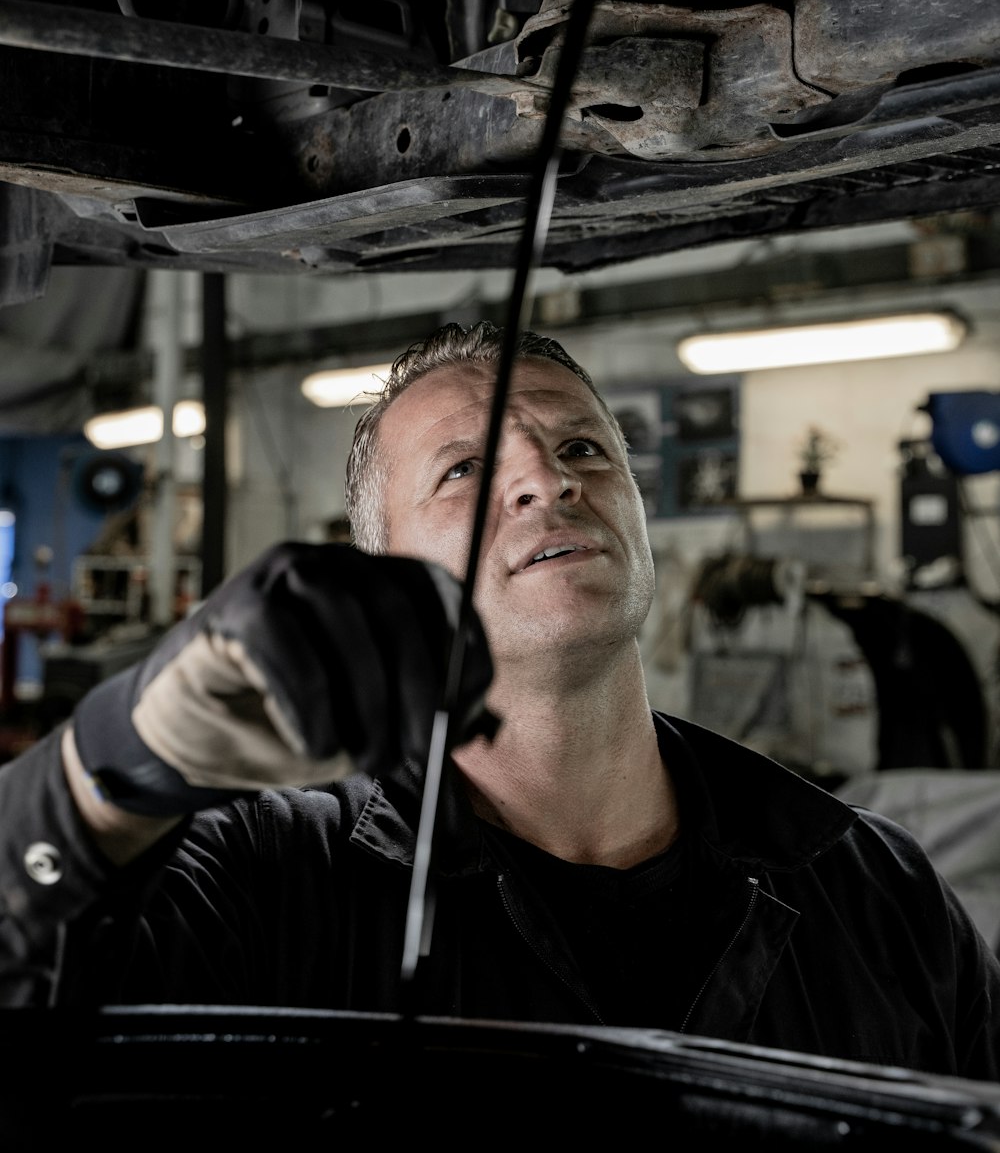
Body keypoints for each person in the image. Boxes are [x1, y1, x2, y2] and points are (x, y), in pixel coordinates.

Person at [0, 320, 998, 1084]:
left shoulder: (872, 890)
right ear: (382, 564)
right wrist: (119, 757)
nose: (546, 482)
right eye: (466, 469)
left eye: (583, 451)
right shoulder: (267, 876)